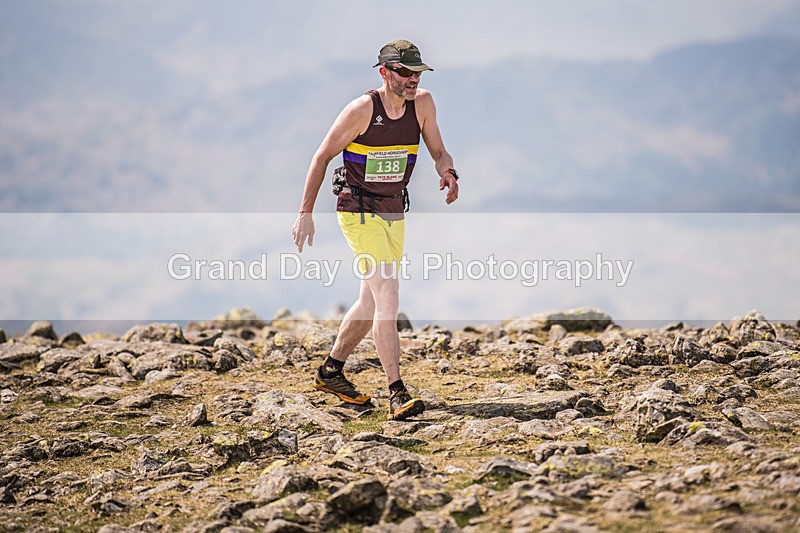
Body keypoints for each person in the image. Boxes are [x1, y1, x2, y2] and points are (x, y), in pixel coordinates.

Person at [292, 39, 459, 421]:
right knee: (389, 292)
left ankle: (331, 371)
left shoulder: (424, 105)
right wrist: (305, 212)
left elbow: (438, 151)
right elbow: (322, 155)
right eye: (405, 72)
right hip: (358, 209)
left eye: (417, 72)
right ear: (385, 72)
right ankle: (397, 392)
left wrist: (447, 172)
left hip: (393, 210)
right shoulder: (362, 109)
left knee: (369, 302)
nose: (413, 79)